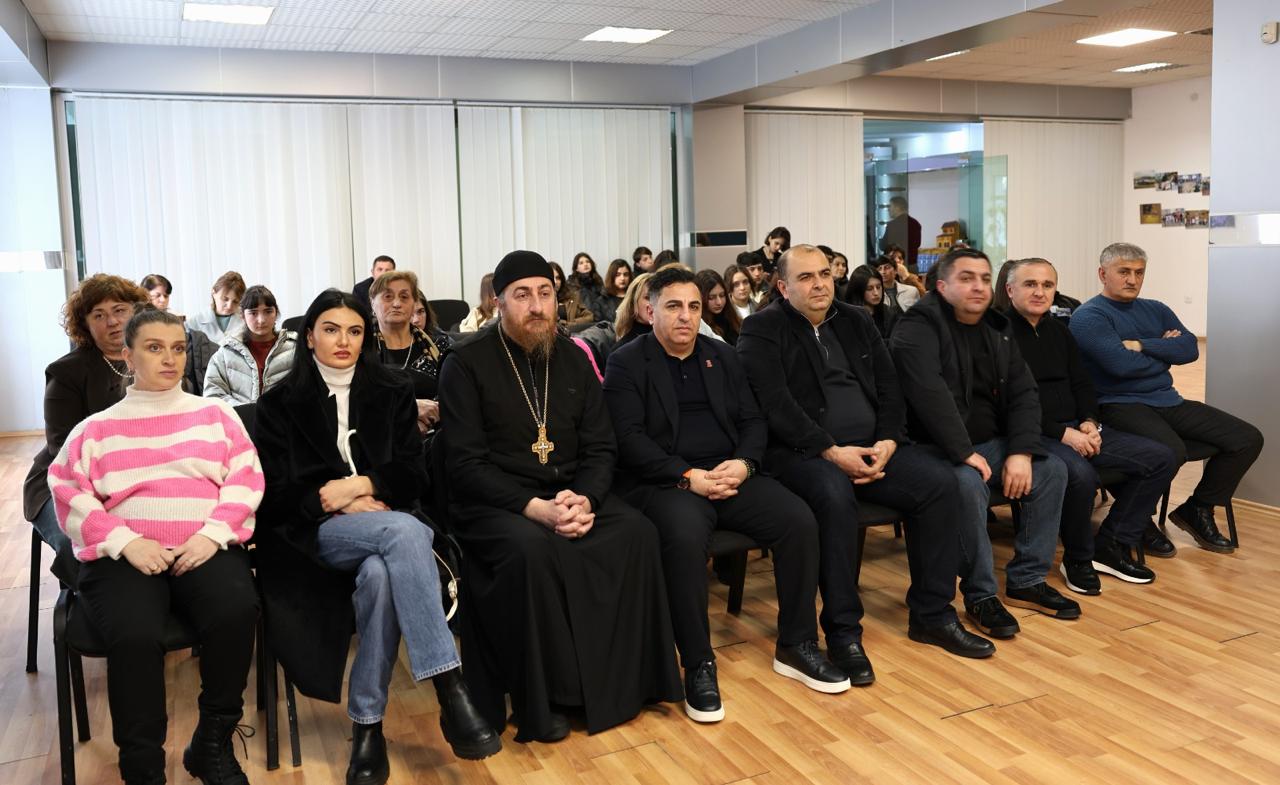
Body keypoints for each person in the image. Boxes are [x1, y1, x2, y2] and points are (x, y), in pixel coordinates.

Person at [254, 290, 500, 784]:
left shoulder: (390, 390)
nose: (343, 341)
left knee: (381, 577)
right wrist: (331, 500)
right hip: (311, 537)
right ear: (309, 337)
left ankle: (367, 726)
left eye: (354, 331)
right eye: (330, 329)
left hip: (385, 529)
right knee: (406, 531)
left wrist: (359, 486)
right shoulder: (278, 404)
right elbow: (274, 499)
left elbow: (415, 474)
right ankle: (449, 685)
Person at [437, 250, 682, 743]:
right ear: (498, 303)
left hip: (570, 492)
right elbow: (464, 464)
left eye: (545, 294)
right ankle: (545, 699)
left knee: (636, 532)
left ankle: (628, 685)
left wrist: (586, 499)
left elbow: (601, 446)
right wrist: (534, 508)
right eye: (522, 296)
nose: (536, 306)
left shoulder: (572, 357)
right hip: (497, 503)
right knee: (531, 550)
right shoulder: (465, 363)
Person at [604, 265, 850, 723]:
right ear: (649, 311)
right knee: (683, 539)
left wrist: (745, 464)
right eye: (674, 306)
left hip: (729, 473)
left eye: (694, 307)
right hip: (668, 481)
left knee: (798, 520)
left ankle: (797, 644)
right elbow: (629, 439)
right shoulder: (626, 362)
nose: (686, 316)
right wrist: (688, 476)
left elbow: (753, 421)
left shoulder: (723, 355)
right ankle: (698, 663)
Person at [738, 245, 992, 660]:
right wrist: (831, 451)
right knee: (834, 496)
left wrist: (889, 440)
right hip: (803, 453)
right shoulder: (761, 329)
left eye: (824, 274)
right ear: (783, 287)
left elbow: (890, 386)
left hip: (875, 448)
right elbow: (774, 405)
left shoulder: (855, 319)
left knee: (939, 484)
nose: (819, 284)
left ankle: (933, 615)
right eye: (806, 277)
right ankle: (844, 633)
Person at [48, 308, 263, 785]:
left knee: (236, 610)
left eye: (178, 348)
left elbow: (246, 479)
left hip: (203, 544)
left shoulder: (216, 415)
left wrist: (212, 535)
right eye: (154, 348)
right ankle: (143, 769)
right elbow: (67, 491)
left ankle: (211, 743)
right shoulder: (96, 429)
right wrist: (125, 541)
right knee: (134, 633)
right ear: (128, 356)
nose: (170, 359)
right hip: (125, 555)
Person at [891, 248, 1077, 639]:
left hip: (986, 443)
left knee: (1051, 470)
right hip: (928, 449)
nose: (978, 286)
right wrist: (964, 453)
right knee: (966, 484)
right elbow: (930, 396)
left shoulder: (995, 327)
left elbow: (1025, 393)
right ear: (942, 286)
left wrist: (1021, 452)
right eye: (966, 278)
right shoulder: (917, 327)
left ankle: (1027, 580)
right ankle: (980, 594)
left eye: (984, 278)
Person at [1070, 242, 1264, 556]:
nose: (1133, 279)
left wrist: (1139, 345)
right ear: (1103, 274)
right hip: (1118, 404)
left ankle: (1197, 508)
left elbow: (1189, 349)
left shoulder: (1156, 308)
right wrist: (1163, 353)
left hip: (1167, 400)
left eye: (1139, 272)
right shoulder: (1089, 316)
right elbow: (1120, 365)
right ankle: (1138, 519)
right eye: (1124, 272)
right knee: (1170, 452)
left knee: (1246, 438)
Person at [1002, 257, 1176, 588]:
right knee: (1081, 475)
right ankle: (1077, 558)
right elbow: (1007, 403)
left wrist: (1089, 421)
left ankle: (1110, 544)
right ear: (1010, 290)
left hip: (1076, 426)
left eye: (1047, 285)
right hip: (1034, 432)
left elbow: (1082, 382)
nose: (1040, 292)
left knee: (1161, 457)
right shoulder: (998, 335)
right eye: (1030, 284)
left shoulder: (1060, 331)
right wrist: (1063, 434)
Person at [24, 274, 150, 585]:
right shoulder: (66, 372)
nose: (112, 321)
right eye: (99, 315)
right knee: (82, 541)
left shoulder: (154, 359)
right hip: (65, 480)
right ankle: (78, 605)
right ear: (85, 325)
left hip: (140, 477)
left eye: (119, 310)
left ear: (136, 312)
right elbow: (62, 448)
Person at [369, 270, 452, 436]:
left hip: (438, 434)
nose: (397, 303)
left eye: (404, 297)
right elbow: (357, 399)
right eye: (388, 297)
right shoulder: (361, 350)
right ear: (372, 304)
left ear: (414, 303)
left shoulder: (439, 347)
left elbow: (455, 393)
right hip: (382, 436)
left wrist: (426, 420)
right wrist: (411, 409)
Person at [203, 285, 297, 405]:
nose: (261, 320)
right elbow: (213, 395)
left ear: (276, 313)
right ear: (242, 316)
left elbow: (308, 389)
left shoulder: (295, 348)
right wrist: (247, 410)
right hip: (239, 416)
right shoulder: (225, 352)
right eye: (253, 313)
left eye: (268, 311)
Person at [141, 272, 218, 392]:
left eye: (166, 296)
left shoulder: (174, 320)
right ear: (145, 295)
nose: (163, 300)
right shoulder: (138, 322)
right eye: (157, 295)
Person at [187, 271, 247, 346]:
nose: (229, 306)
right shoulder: (194, 323)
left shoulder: (245, 321)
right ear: (214, 293)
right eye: (225, 299)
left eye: (235, 302)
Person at [845, 265, 900, 339]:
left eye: (878, 287)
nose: (876, 293)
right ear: (858, 290)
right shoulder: (846, 316)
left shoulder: (890, 314)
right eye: (869, 288)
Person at [695, 269, 741, 345]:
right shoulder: (701, 327)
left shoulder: (732, 320)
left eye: (722, 295)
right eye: (711, 298)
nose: (719, 302)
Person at [548, 261, 595, 331]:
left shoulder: (572, 296)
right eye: (552, 278)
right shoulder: (540, 300)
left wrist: (569, 324)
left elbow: (589, 317)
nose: (555, 282)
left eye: (558, 278)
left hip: (571, 333)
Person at [881, 197, 922, 272]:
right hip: (912, 266)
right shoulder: (916, 224)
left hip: (896, 267)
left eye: (890, 206)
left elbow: (884, 246)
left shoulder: (892, 225)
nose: (888, 209)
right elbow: (917, 244)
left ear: (897, 208)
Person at [614, 272, 655, 346]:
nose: (653, 303)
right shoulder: (623, 347)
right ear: (633, 302)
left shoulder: (670, 339)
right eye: (647, 298)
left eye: (657, 297)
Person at [595, 259, 632, 327]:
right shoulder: (601, 301)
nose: (622, 278)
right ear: (611, 276)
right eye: (618, 275)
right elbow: (599, 328)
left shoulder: (635, 297)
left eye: (626, 274)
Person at [569, 252, 605, 316]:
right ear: (576, 268)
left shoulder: (598, 280)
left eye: (587, 262)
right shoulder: (572, 283)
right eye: (581, 263)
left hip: (599, 316)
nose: (585, 264)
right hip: (582, 317)